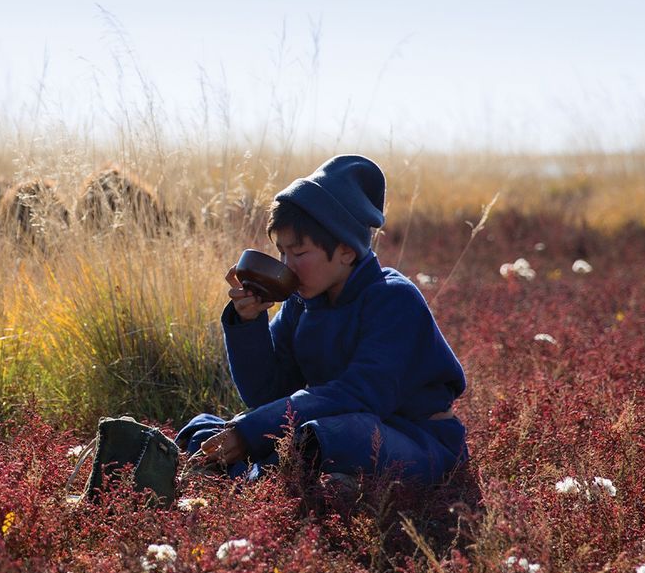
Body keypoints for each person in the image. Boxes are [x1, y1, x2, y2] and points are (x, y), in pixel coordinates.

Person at [178, 155, 467, 492]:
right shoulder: (303, 303)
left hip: (415, 440)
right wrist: (250, 322)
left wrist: (250, 430)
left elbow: (360, 395)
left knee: (333, 435)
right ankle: (276, 479)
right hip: (328, 428)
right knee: (205, 429)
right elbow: (264, 392)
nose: (287, 265)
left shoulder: (395, 300)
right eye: (282, 253)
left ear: (346, 251)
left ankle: (258, 479)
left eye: (299, 254)